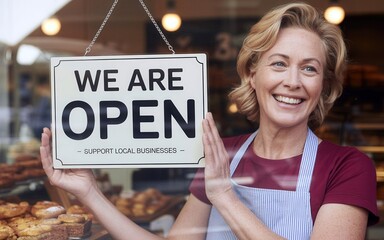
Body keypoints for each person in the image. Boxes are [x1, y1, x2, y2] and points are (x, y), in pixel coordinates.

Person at [40, 2, 379, 239]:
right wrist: (90, 193)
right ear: (251, 73)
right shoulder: (221, 154)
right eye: (279, 63)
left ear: (322, 86)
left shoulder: (348, 168)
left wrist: (224, 196)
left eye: (309, 68)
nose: (293, 81)